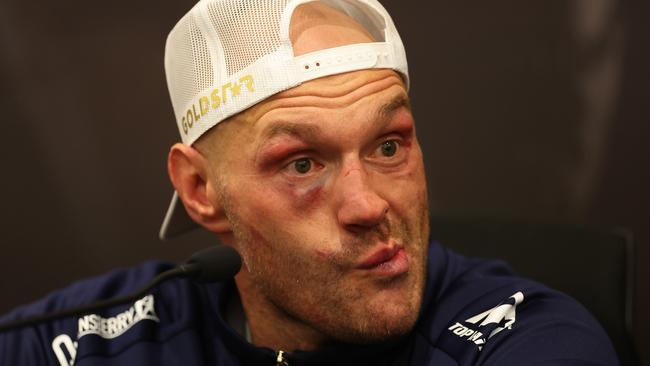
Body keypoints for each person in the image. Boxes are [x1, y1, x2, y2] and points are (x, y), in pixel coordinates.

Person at [0, 0, 619, 365]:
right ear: (199, 190)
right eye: (302, 163)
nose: (369, 204)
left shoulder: (528, 338)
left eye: (388, 145)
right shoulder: (122, 333)